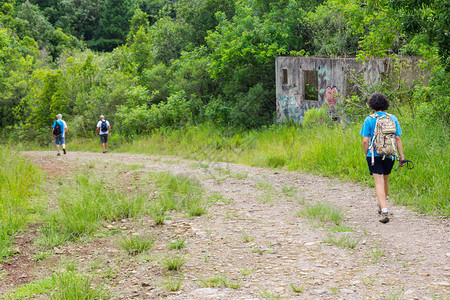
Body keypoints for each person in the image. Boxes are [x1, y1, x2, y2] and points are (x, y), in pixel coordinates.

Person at [360, 93, 405, 223]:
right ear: (386, 104)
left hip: (374, 155)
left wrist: (366, 154)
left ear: (372, 105)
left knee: (378, 182)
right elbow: (397, 138)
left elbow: (365, 141)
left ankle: (384, 211)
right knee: (385, 181)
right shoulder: (393, 118)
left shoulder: (369, 119)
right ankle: (382, 204)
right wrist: (401, 157)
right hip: (390, 154)